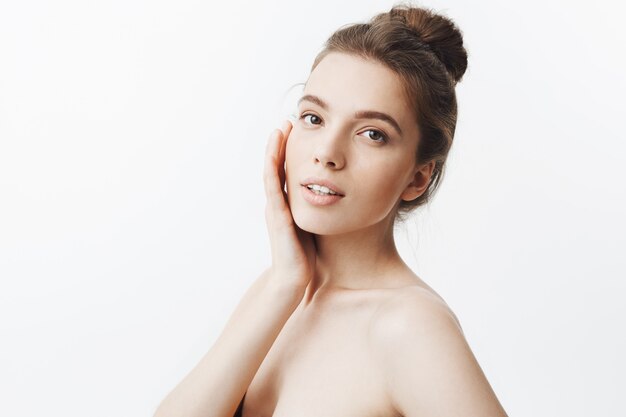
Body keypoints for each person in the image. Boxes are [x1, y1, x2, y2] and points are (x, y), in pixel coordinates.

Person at [154, 2, 509, 417]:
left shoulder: (410, 327)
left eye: (372, 134)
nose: (327, 153)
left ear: (418, 178)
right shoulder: (279, 291)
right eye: (313, 117)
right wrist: (283, 284)